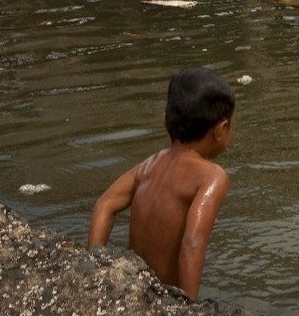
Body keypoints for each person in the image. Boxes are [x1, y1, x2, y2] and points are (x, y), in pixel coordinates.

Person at [87, 67, 235, 300]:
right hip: (165, 299)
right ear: (221, 129)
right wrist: (188, 309)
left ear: (165, 120)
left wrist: (96, 270)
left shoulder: (148, 166)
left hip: (135, 287)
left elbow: (104, 205)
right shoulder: (212, 177)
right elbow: (192, 242)